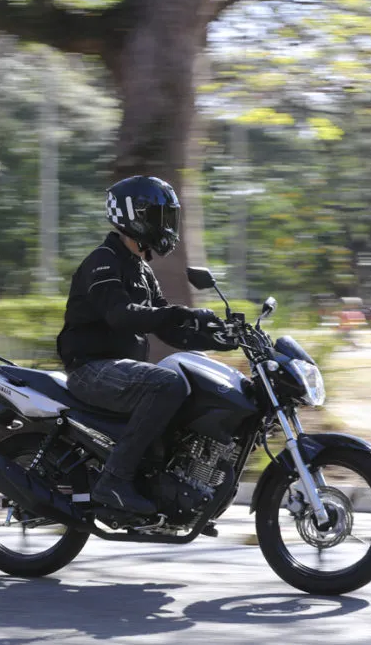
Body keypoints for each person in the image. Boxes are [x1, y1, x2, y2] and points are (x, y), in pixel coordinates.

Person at [57, 176, 235, 515]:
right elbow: (121, 315)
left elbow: (166, 326)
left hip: (119, 371)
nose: (166, 225)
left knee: (191, 386)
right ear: (134, 216)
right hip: (91, 369)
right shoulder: (103, 261)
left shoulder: (141, 269)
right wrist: (181, 313)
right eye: (159, 216)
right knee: (168, 384)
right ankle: (115, 480)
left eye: (169, 217)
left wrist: (218, 338)